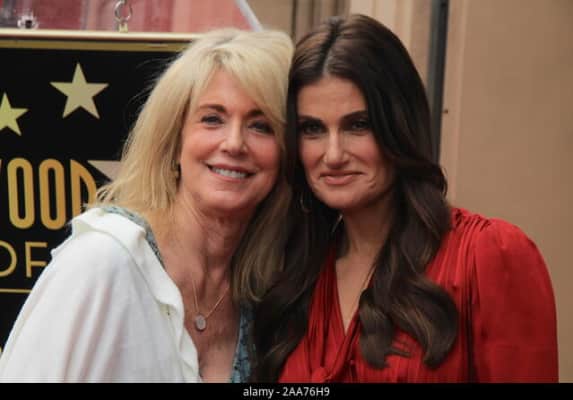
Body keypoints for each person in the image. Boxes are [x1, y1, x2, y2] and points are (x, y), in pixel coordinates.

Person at [253, 14, 558, 383]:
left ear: (399, 124)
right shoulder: (295, 273)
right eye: (313, 128)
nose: (332, 155)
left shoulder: (488, 256)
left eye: (358, 125)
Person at [0, 28, 293, 382]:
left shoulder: (264, 300)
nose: (234, 143)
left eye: (261, 126)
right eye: (212, 119)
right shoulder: (103, 262)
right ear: (175, 140)